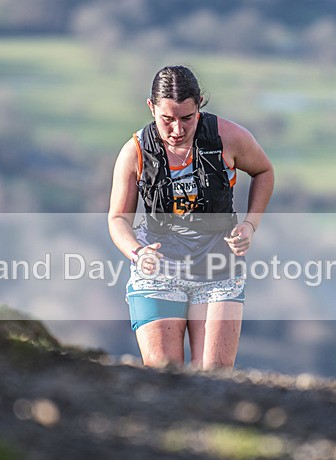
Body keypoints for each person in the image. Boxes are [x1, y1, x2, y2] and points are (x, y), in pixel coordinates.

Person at [108, 65, 274, 369]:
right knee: (164, 375)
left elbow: (264, 171)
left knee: (214, 376)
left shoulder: (229, 137)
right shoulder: (135, 152)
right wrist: (136, 252)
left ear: (198, 105)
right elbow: (118, 218)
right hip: (158, 270)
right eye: (167, 120)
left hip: (218, 267)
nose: (177, 130)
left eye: (187, 118)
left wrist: (250, 225)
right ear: (151, 107)